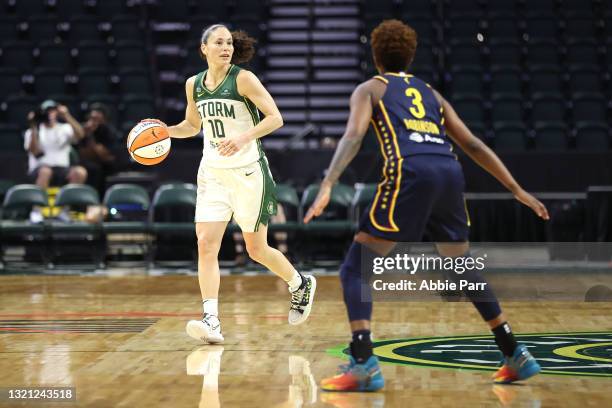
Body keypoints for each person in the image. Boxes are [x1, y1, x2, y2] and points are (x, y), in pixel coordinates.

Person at [304, 20, 550, 391]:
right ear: (411, 55)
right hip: (449, 173)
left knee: (355, 269)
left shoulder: (370, 88)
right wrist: (516, 189)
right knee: (462, 267)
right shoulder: (431, 93)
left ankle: (363, 361)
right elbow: (474, 145)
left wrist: (327, 183)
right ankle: (514, 352)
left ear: (375, 56)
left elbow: (353, 135)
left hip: (412, 171)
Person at [161, 24, 316, 344]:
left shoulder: (243, 79)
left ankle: (299, 284)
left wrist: (244, 137)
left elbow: (275, 118)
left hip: (248, 172)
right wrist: (165, 132)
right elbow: (192, 126)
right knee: (206, 245)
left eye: (229, 43)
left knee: (256, 249)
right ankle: (211, 321)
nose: (225, 47)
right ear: (203, 48)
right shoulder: (194, 85)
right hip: (213, 173)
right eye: (218, 42)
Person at [24, 100, 87, 189]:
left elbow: (81, 135)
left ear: (56, 113)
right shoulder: (32, 131)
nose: (49, 114)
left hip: (62, 169)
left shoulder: (65, 128)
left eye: (52, 111)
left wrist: (66, 115)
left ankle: (69, 201)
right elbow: (34, 152)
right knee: (46, 171)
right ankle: (41, 201)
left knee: (80, 172)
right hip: (39, 169)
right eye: (47, 111)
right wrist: (33, 125)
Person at [78, 103, 117, 195]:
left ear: (103, 119)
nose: (94, 122)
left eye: (97, 119)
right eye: (92, 119)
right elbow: (82, 153)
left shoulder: (108, 131)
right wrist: (87, 134)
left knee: (99, 169)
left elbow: (103, 155)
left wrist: (90, 136)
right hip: (87, 162)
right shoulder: (82, 130)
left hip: (105, 164)